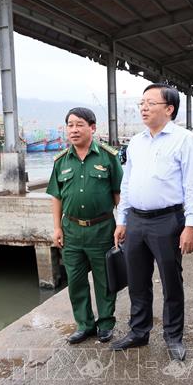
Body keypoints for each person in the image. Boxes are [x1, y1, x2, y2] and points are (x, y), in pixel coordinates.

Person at [110, 83, 193, 361]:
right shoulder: (136, 142)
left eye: (150, 103)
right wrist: (122, 219)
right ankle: (139, 332)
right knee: (137, 281)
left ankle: (173, 336)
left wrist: (191, 225)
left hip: (167, 221)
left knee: (170, 280)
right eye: (142, 103)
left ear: (169, 109)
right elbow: (126, 184)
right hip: (136, 221)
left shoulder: (184, 139)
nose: (143, 108)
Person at [46, 107, 123, 344]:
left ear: (92, 127)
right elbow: (56, 196)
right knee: (76, 280)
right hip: (71, 231)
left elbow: (119, 193)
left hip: (101, 229)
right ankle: (84, 324)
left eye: (79, 124)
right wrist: (57, 228)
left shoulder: (108, 157)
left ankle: (106, 324)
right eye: (70, 125)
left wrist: (122, 224)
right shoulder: (61, 161)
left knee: (104, 279)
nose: (74, 129)